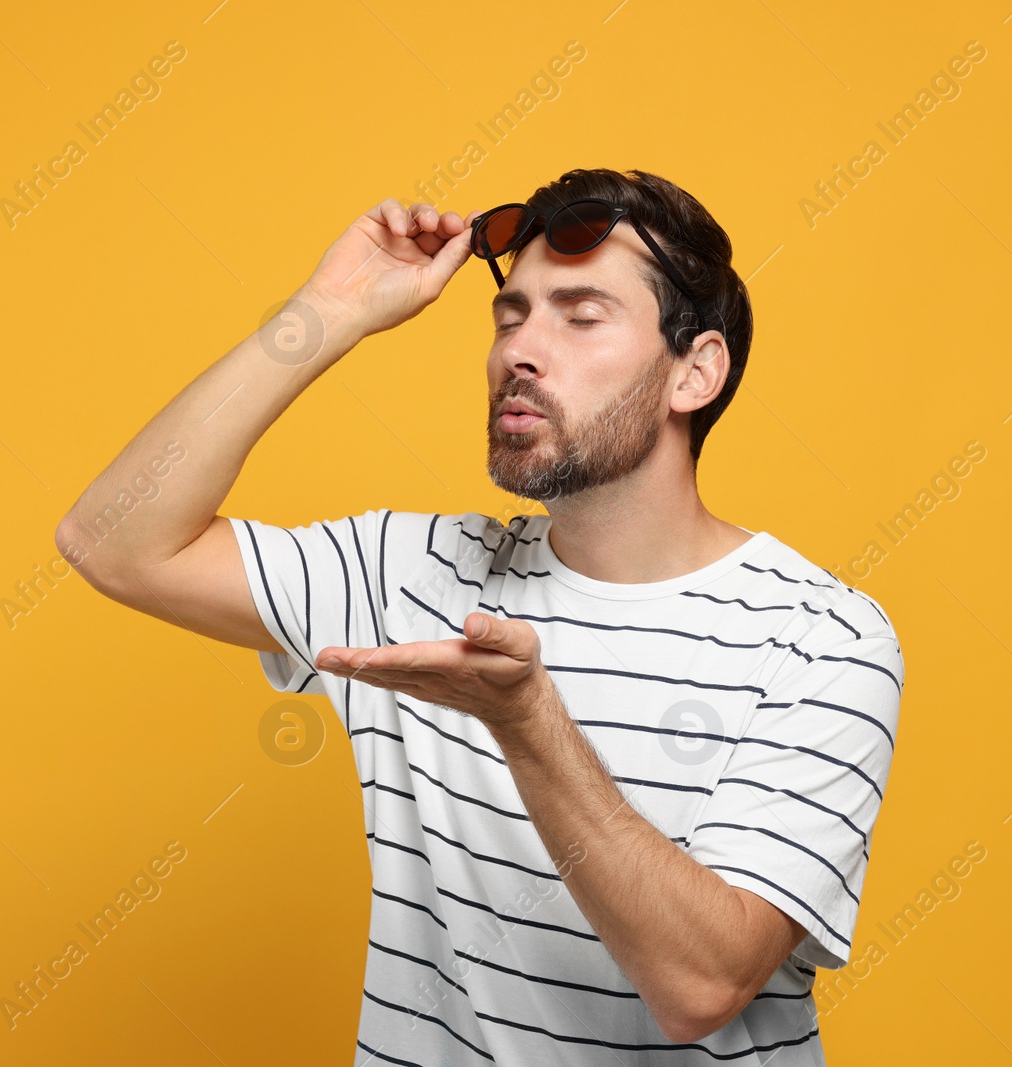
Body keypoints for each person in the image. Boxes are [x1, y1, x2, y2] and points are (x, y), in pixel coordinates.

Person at [56, 167, 904, 1064]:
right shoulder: (414, 577)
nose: (519, 352)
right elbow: (113, 540)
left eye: (580, 316)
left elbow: (701, 986)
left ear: (694, 372)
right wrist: (327, 308)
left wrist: (526, 719)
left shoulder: (821, 637)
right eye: (511, 317)